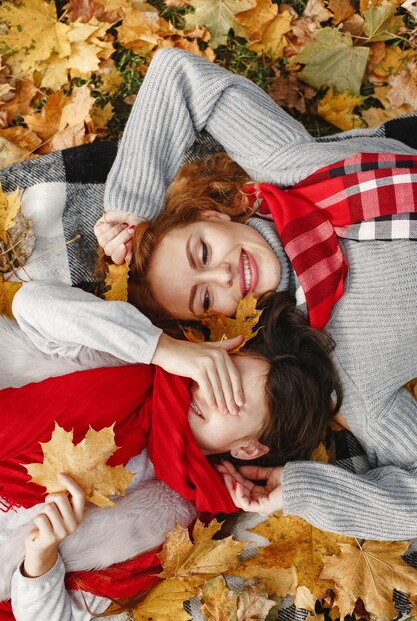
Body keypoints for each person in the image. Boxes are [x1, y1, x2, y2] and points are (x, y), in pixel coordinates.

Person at [7, 49, 417, 541]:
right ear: (223, 324)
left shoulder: (286, 165)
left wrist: (130, 207)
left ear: (214, 216)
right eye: (204, 299)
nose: (222, 276)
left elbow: (178, 75)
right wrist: (304, 493)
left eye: (202, 251)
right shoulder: (355, 372)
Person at [0, 297, 342, 621]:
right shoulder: (130, 355)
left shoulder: (175, 529)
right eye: (221, 373)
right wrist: (163, 348)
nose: (209, 392)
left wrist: (41, 558)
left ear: (249, 449)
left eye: (233, 399)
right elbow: (30, 304)